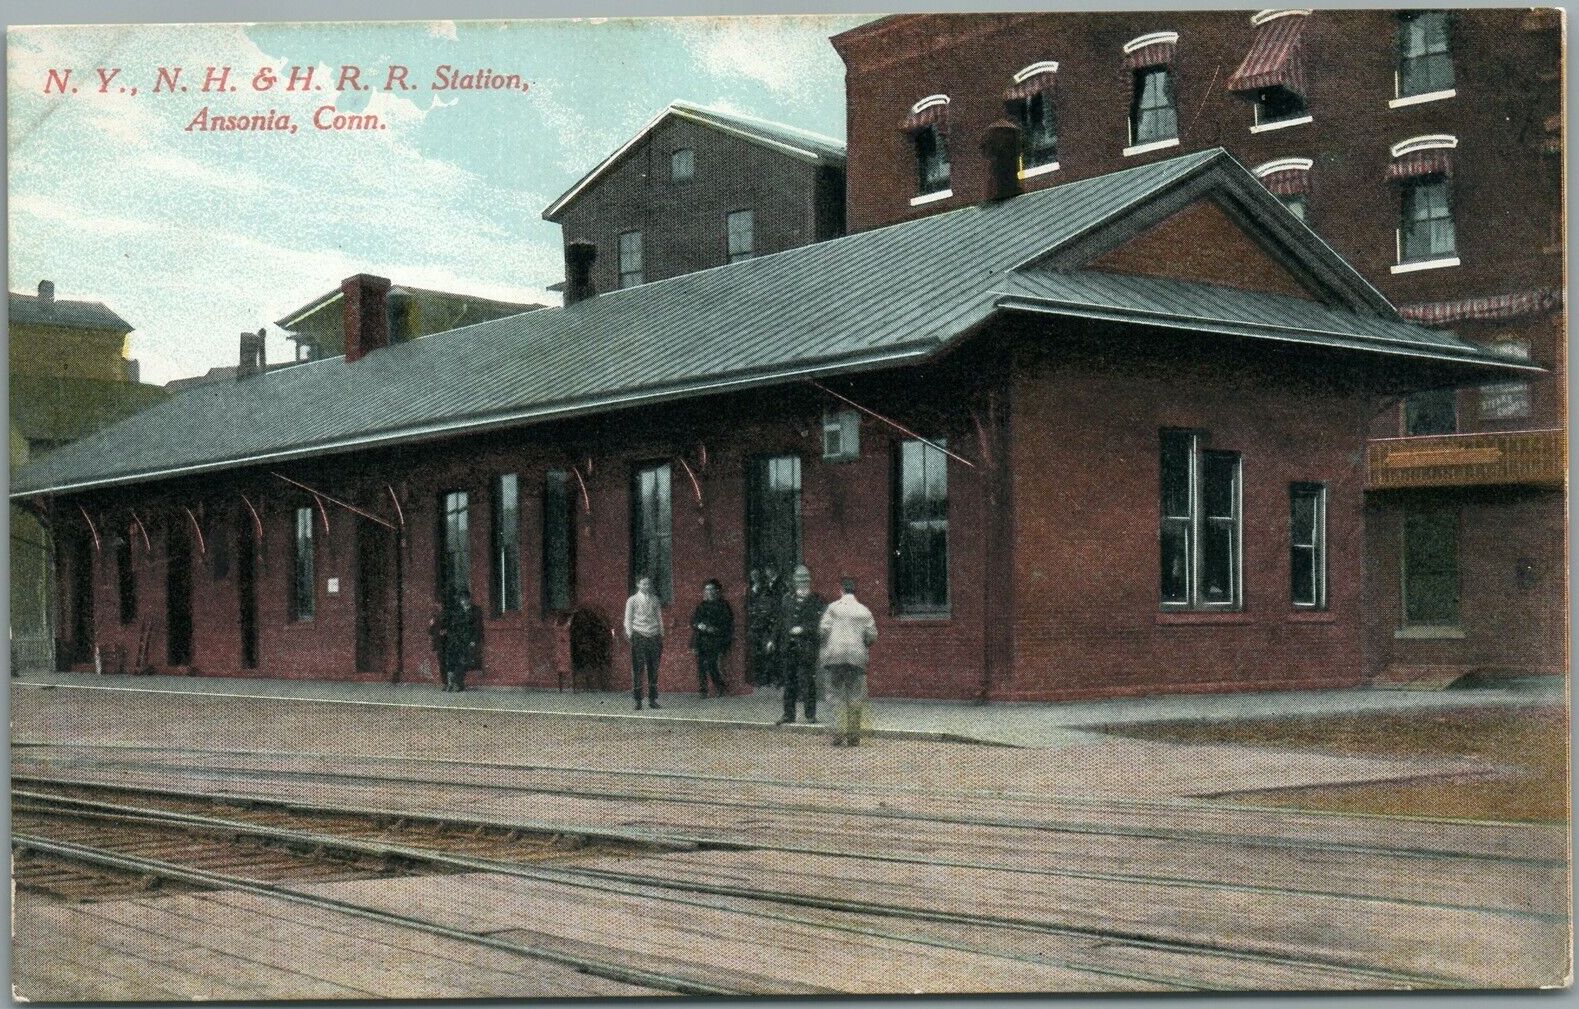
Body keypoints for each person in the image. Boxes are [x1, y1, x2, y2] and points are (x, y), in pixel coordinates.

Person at [819, 576, 878, 747]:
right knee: (855, 697)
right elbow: (872, 635)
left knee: (833, 696)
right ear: (855, 591)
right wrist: (861, 644)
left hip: (834, 657)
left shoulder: (832, 608)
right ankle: (853, 736)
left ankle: (837, 734)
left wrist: (829, 644)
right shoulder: (864, 611)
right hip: (856, 658)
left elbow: (823, 631)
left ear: (841, 590)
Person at [775, 564, 826, 725]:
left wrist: (803, 629)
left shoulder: (817, 601)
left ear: (809, 582)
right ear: (794, 582)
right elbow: (780, 621)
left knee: (807, 682)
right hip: (788, 648)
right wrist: (772, 640)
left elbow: (821, 624)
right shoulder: (787, 599)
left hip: (806, 648)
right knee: (789, 682)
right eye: (799, 581)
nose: (802, 584)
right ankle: (788, 714)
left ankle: (810, 715)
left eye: (805, 581)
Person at [624, 575, 664, 710]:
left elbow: (659, 618)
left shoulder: (655, 599)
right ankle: (638, 700)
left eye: (648, 584)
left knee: (654, 669)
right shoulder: (632, 600)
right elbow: (627, 620)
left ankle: (652, 699)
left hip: (654, 636)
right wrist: (631, 636)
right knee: (638, 669)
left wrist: (660, 634)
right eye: (643, 584)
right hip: (639, 635)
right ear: (638, 585)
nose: (646, 586)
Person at [690, 578, 735, 697]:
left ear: (717, 591)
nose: (709, 592)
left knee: (712, 665)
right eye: (706, 590)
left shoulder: (723, 605)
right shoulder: (702, 605)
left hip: (715, 640)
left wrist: (713, 628)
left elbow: (727, 623)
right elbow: (694, 621)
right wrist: (700, 625)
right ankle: (703, 690)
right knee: (700, 666)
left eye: (711, 589)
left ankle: (720, 687)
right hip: (701, 640)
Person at [746, 566, 781, 688]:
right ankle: (762, 678)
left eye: (756, 575)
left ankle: (771, 678)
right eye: (752, 576)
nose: (754, 577)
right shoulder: (753, 589)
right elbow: (752, 605)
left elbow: (772, 606)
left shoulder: (767, 588)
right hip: (758, 625)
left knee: (769, 652)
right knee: (758, 653)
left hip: (768, 625)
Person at [442, 589, 483, 692]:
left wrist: (474, 640)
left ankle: (458, 684)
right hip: (455, 639)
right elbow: (452, 624)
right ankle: (450, 683)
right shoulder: (457, 611)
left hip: (467, 640)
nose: (463, 601)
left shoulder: (475, 610)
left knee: (463, 662)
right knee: (451, 660)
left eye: (465, 599)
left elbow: (478, 627)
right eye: (461, 599)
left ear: (469, 599)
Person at [427, 602, 449, 690]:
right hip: (439, 643)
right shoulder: (434, 617)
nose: (438, 606)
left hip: (446, 642)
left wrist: (445, 631)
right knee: (441, 663)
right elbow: (430, 631)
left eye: (439, 605)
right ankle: (445, 683)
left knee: (447, 662)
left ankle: (449, 682)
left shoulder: (446, 615)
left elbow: (450, 627)